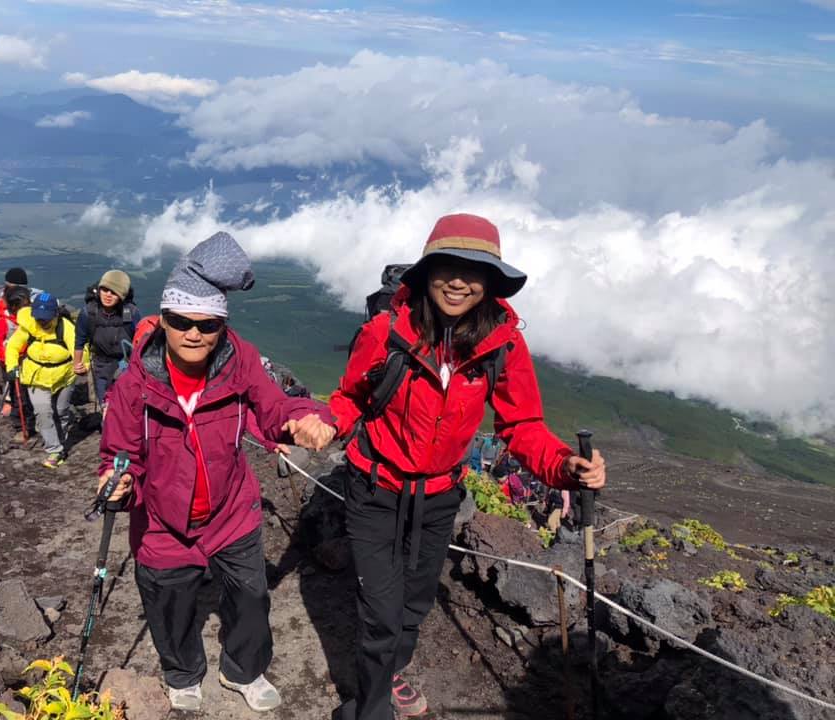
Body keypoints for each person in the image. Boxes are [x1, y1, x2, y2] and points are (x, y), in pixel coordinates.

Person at [319, 213, 607, 720]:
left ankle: (391, 672)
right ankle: (369, 708)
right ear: (426, 272)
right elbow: (351, 398)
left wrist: (566, 466)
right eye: (446, 267)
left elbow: (522, 426)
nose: (457, 280)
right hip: (375, 487)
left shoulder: (503, 344)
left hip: (439, 495)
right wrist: (324, 424)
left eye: (473, 271)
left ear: (491, 283)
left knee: (416, 602)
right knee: (382, 614)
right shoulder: (386, 332)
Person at [97, 232, 334, 713]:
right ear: (162, 319)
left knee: (251, 598)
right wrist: (117, 483)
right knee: (170, 604)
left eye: (208, 324)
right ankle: (183, 671)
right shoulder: (132, 388)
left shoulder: (239, 362)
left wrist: (308, 418)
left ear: (223, 326)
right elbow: (119, 454)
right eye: (181, 320)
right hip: (162, 523)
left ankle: (243, 669)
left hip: (231, 513)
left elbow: (274, 408)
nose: (194, 333)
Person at [5, 292, 86, 468]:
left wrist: (81, 365)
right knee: (43, 412)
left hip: (64, 375)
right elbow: (13, 346)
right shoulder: (28, 326)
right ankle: (54, 450)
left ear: (55, 314)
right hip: (36, 375)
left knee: (61, 411)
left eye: (46, 318)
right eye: (39, 318)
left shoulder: (65, 327)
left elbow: (78, 348)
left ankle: (59, 440)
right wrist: (11, 367)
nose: (42, 322)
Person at [73, 269, 141, 409]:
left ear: (122, 295)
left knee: (126, 406)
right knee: (106, 406)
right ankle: (108, 428)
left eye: (114, 292)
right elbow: (80, 340)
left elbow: (140, 339)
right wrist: (77, 363)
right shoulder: (88, 313)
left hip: (126, 365)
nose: (108, 295)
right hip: (100, 366)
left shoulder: (131, 313)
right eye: (104, 289)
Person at [0, 285, 35, 434]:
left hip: (29, 362)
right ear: (15, 306)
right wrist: (8, 361)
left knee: (28, 393)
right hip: (11, 364)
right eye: (25, 305)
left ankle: (29, 422)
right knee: (19, 395)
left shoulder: (28, 318)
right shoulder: (4, 322)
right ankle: (21, 425)